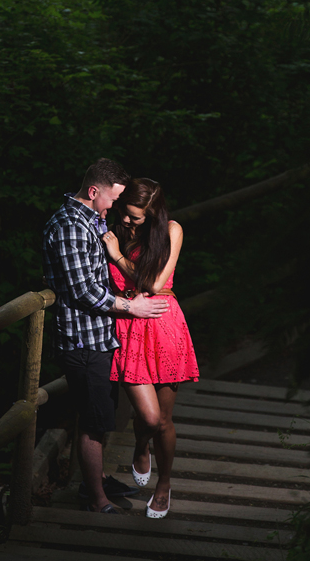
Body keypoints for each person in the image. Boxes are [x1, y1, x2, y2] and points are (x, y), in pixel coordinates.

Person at [42, 159, 170, 514]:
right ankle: (96, 499)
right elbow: (83, 290)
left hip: (100, 337)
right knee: (94, 424)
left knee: (98, 416)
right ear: (94, 191)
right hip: (83, 340)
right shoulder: (71, 226)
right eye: (113, 199)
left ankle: (94, 482)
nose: (115, 208)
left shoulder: (92, 220)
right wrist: (132, 308)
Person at [102, 178, 199, 519]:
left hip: (164, 323)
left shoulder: (172, 230)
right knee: (149, 417)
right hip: (129, 328)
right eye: (125, 214)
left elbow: (155, 283)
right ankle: (140, 445)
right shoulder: (111, 228)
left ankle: (164, 484)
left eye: (136, 218)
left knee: (165, 421)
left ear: (153, 214)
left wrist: (116, 256)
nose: (127, 221)